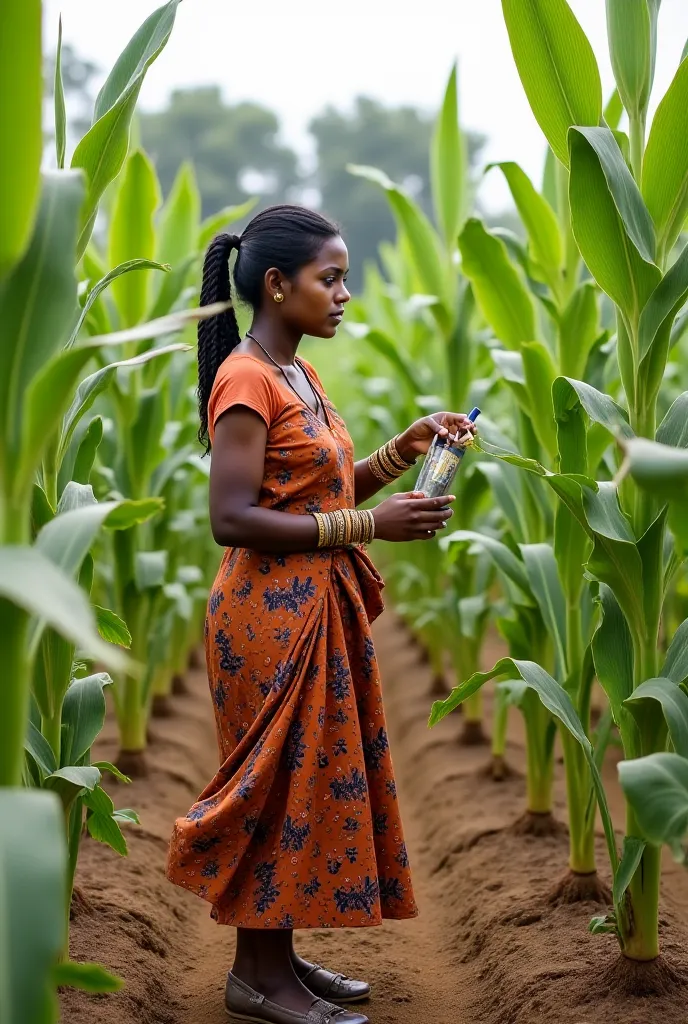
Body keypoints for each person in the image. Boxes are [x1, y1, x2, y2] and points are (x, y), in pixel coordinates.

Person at [166, 205, 477, 1024]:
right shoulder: (247, 379)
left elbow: (320, 492)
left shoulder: (297, 372)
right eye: (329, 278)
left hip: (312, 610)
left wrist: (400, 453)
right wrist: (371, 527)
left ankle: (280, 964)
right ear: (277, 284)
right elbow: (231, 516)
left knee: (297, 791)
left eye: (343, 277)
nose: (345, 294)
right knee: (272, 792)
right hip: (267, 620)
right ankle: (256, 980)